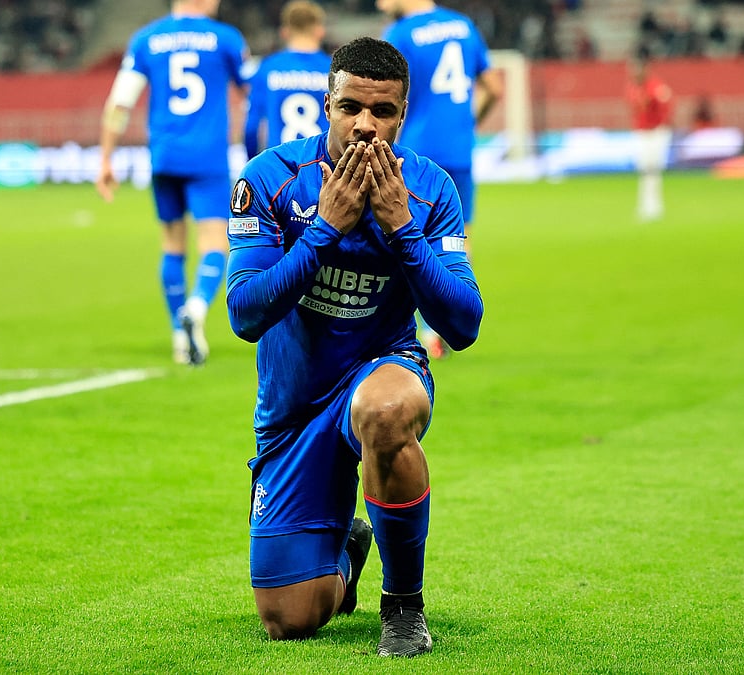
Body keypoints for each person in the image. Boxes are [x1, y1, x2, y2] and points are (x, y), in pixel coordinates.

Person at [226, 37, 483, 657]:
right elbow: (245, 313)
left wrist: (404, 235)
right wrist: (322, 231)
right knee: (289, 619)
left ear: (402, 115)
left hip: (380, 372)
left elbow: (464, 323)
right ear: (327, 105)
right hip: (294, 409)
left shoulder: (427, 190)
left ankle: (403, 607)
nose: (366, 126)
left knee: (387, 412)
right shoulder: (269, 178)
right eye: (350, 108)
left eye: (383, 111)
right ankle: (345, 545)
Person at [97, 0, 249, 366]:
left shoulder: (147, 39)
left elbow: (120, 103)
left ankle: (180, 337)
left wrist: (105, 157)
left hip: (164, 156)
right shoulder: (225, 38)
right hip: (207, 156)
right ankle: (196, 308)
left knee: (171, 244)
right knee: (215, 242)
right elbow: (251, 92)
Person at [378, 0, 500, 360]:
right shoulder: (464, 26)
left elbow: (385, 95)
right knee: (459, 240)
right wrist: (468, 124)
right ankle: (443, 326)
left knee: (404, 237)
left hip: (417, 153)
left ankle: (410, 329)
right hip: (459, 151)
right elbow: (494, 87)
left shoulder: (401, 34)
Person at [243, 0, 331, 160]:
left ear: (284, 31)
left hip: (280, 170)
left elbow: (251, 127)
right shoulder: (333, 70)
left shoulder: (267, 68)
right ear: (319, 31)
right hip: (323, 170)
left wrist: (253, 162)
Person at [625, 57, 673, 222]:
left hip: (656, 132)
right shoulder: (633, 88)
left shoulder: (655, 85)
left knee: (653, 170)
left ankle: (654, 206)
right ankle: (646, 205)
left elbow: (665, 103)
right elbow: (637, 106)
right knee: (645, 170)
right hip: (642, 132)